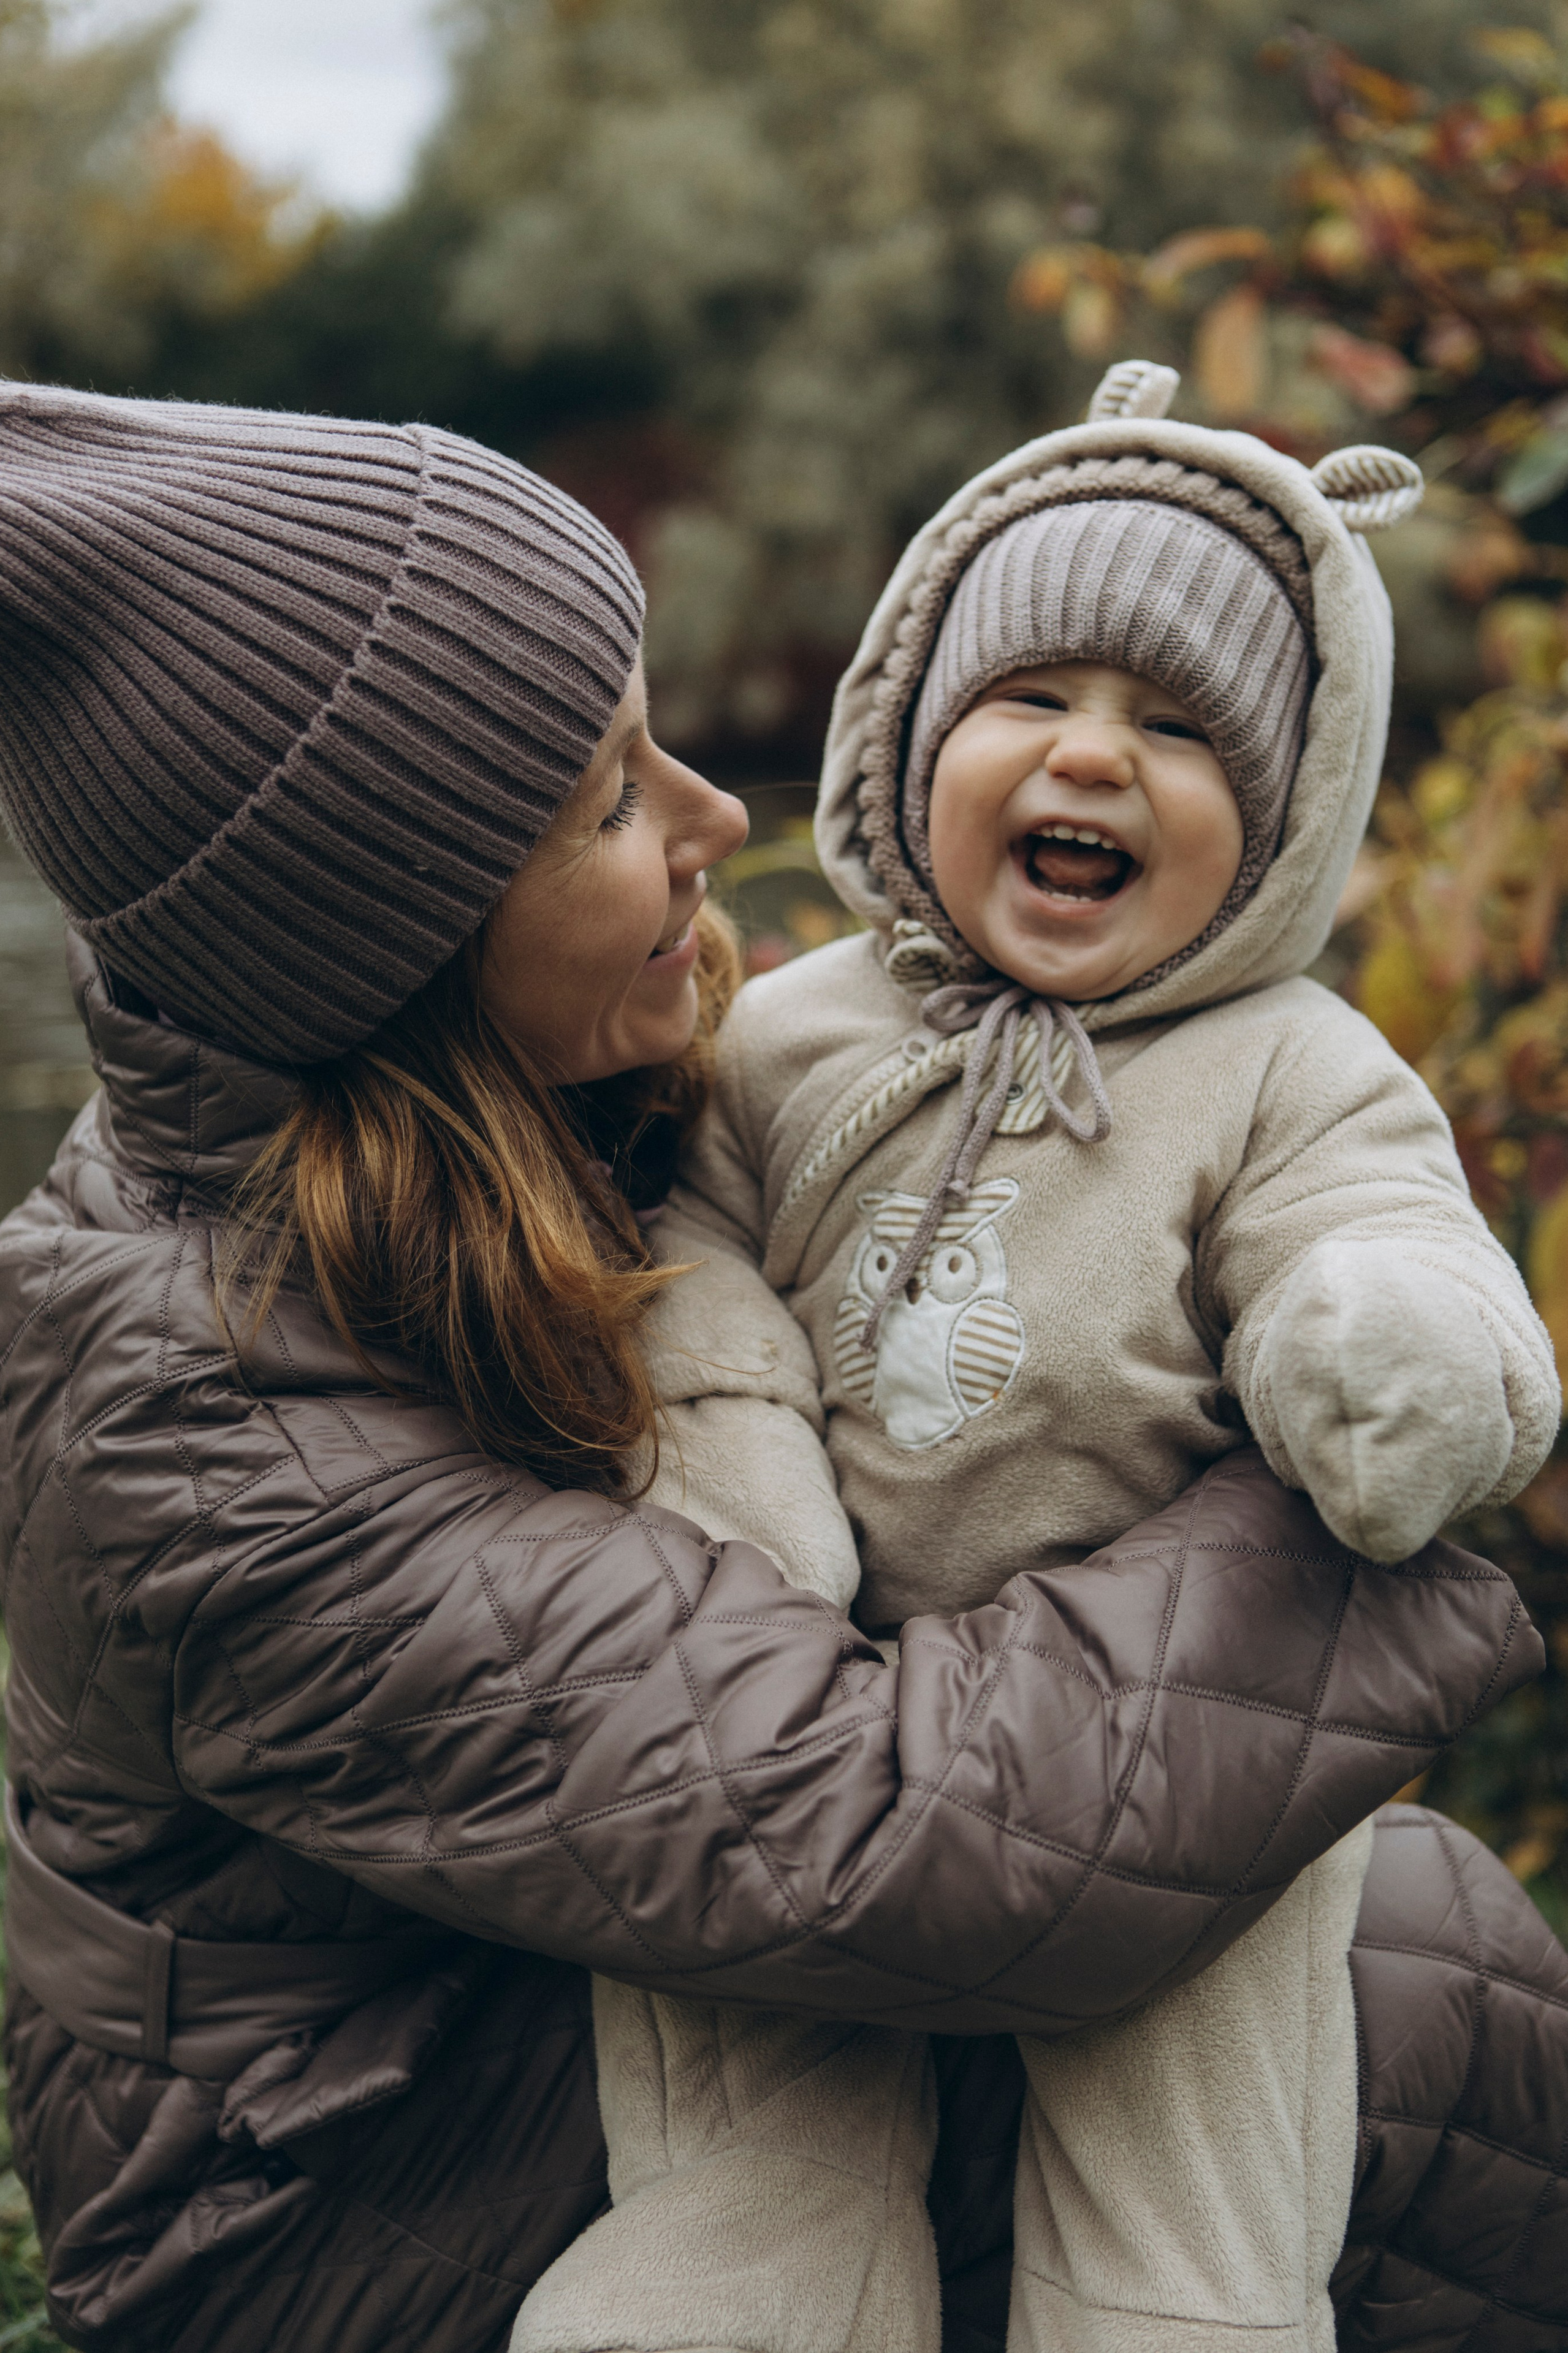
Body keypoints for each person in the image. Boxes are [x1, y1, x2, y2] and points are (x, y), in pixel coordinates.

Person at [0, 378, 1556, 2353]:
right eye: (613, 799)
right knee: (1404, 1993)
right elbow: (879, 1847)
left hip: (559, 1987)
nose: (720, 819)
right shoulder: (205, 1420)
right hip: (331, 2208)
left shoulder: (514, 1114)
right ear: (404, 939)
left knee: (1366, 1931)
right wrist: (1353, 1535)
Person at [513, 363, 1568, 2353]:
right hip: (800, 1710)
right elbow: (687, 1243)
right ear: (912, 740)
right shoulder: (790, 1031)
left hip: (1178, 1767)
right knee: (752, 2147)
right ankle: (746, 2294)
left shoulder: (1288, 1067)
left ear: (1277, 822)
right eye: (1033, 702)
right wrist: (732, 1460)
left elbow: (1387, 1233)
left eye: (1180, 731)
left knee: (1194, 2212)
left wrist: (1390, 1337)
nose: (1095, 762)